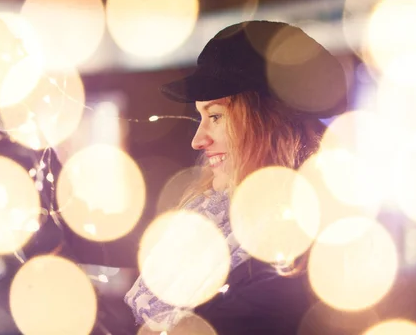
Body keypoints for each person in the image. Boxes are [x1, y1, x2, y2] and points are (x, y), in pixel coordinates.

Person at [121, 20, 348, 334]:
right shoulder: (224, 231)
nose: (198, 140)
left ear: (270, 126)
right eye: (201, 117)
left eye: (215, 116)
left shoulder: (285, 264)